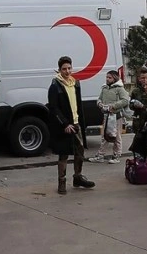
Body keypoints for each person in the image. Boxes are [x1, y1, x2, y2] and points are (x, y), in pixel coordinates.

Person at [48, 56, 96, 195]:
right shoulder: (55, 85)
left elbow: (78, 104)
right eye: (64, 69)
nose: (67, 71)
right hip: (64, 126)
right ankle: (61, 182)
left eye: (69, 68)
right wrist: (64, 123)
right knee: (63, 154)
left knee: (79, 151)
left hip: (76, 123)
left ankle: (78, 177)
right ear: (59, 69)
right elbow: (53, 107)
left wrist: (81, 122)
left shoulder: (75, 83)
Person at [89, 70, 130, 164]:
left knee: (117, 136)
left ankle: (116, 155)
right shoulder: (104, 88)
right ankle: (100, 155)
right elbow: (99, 98)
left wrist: (113, 106)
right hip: (106, 115)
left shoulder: (119, 89)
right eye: (107, 77)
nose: (107, 79)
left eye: (109, 77)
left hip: (116, 116)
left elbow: (125, 100)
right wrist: (99, 103)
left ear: (114, 78)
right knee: (105, 136)